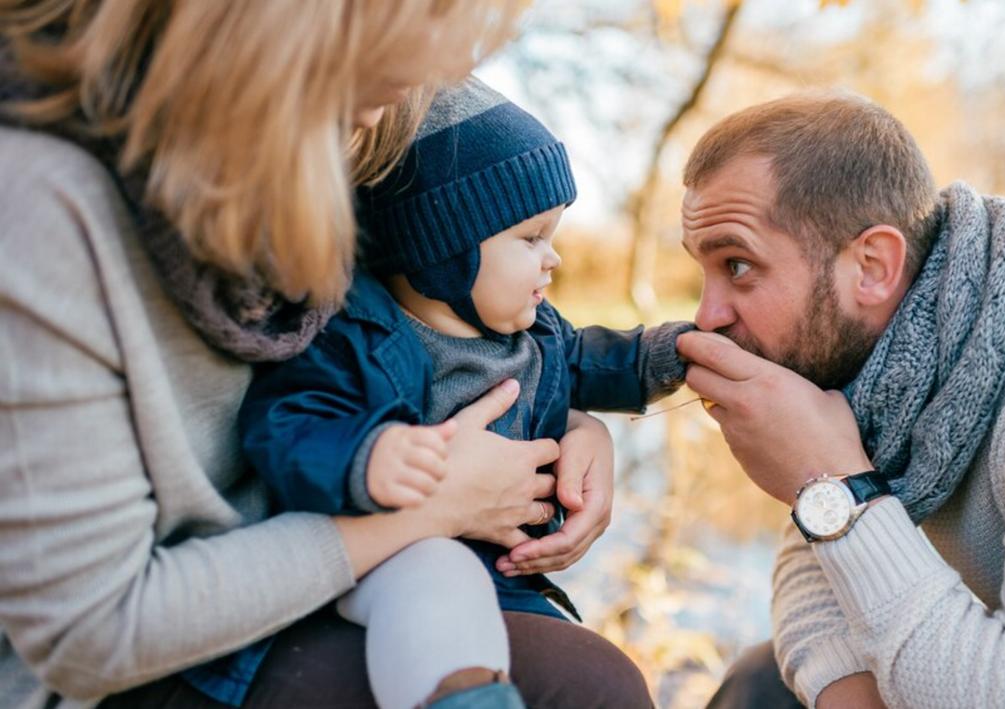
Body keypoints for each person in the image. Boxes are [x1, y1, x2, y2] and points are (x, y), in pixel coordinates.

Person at [0, 2, 651, 708]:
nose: (436, 70)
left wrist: (570, 425)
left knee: (590, 679)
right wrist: (432, 508)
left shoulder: (340, 136)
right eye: (414, 17)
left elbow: (448, 336)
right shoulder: (40, 206)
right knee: (584, 689)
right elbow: (91, 636)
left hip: (306, 580)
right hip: (139, 662)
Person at [239, 77, 690, 709]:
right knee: (437, 584)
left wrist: (673, 355)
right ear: (440, 251)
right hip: (387, 560)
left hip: (504, 575)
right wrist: (370, 455)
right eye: (530, 239)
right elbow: (286, 426)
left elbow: (596, 359)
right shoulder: (355, 339)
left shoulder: (534, 334)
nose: (553, 259)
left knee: (580, 663)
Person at [672, 91, 1005, 708]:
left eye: (739, 265)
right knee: (759, 686)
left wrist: (829, 482)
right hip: (957, 660)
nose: (706, 316)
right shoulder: (881, 341)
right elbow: (813, 557)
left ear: (874, 265)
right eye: (706, 271)